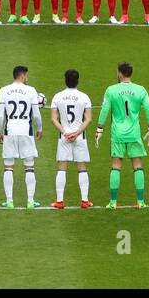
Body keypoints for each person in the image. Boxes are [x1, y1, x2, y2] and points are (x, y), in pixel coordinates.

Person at [95, 61, 149, 208]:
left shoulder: (111, 90)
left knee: (116, 166)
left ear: (120, 73)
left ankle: (113, 202)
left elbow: (104, 110)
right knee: (137, 165)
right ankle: (140, 202)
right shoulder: (141, 90)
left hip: (118, 134)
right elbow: (148, 109)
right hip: (134, 133)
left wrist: (99, 129)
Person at [0, 65, 43, 208]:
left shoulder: (4, 90)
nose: (27, 78)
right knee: (29, 167)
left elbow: (0, 115)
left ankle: (9, 201)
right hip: (25, 131)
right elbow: (36, 114)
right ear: (22, 76)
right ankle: (30, 201)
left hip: (10, 131)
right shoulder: (31, 91)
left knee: (8, 166)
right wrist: (40, 128)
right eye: (26, 76)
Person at [49, 68, 94, 208]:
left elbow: (53, 118)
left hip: (63, 137)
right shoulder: (84, 97)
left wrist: (65, 132)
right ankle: (85, 201)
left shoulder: (57, 96)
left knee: (62, 167)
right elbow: (89, 119)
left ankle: (59, 201)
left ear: (65, 80)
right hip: (80, 137)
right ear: (77, 81)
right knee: (82, 167)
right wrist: (77, 132)